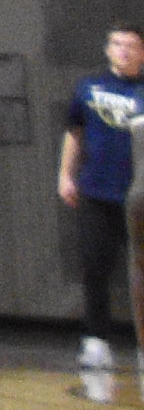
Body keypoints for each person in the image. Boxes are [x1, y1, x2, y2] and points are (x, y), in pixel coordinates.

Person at [68, 19, 144, 372]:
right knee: (95, 267)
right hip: (97, 191)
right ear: (107, 48)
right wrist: (65, 175)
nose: (123, 50)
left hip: (138, 196)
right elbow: (74, 132)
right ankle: (96, 340)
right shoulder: (89, 87)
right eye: (117, 44)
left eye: (130, 45)